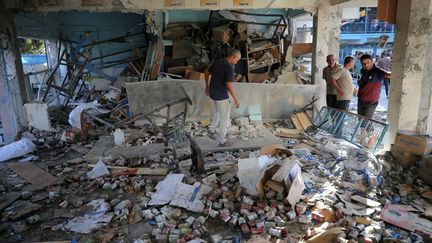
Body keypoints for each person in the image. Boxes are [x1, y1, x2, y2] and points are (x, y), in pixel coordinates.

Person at [204, 49, 241, 147]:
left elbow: (206, 72)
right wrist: (236, 99)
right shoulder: (229, 67)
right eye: (237, 60)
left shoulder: (218, 61)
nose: (236, 62)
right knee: (224, 117)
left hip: (212, 93)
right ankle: (222, 141)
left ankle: (211, 130)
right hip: (221, 96)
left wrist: (207, 87)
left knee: (216, 113)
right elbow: (228, 85)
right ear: (233, 57)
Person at [357, 54, 388, 118]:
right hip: (361, 99)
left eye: (368, 62)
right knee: (360, 121)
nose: (366, 65)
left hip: (371, 101)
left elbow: (388, 75)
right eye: (363, 63)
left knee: (366, 121)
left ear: (372, 61)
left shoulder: (378, 71)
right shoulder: (362, 70)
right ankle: (365, 128)